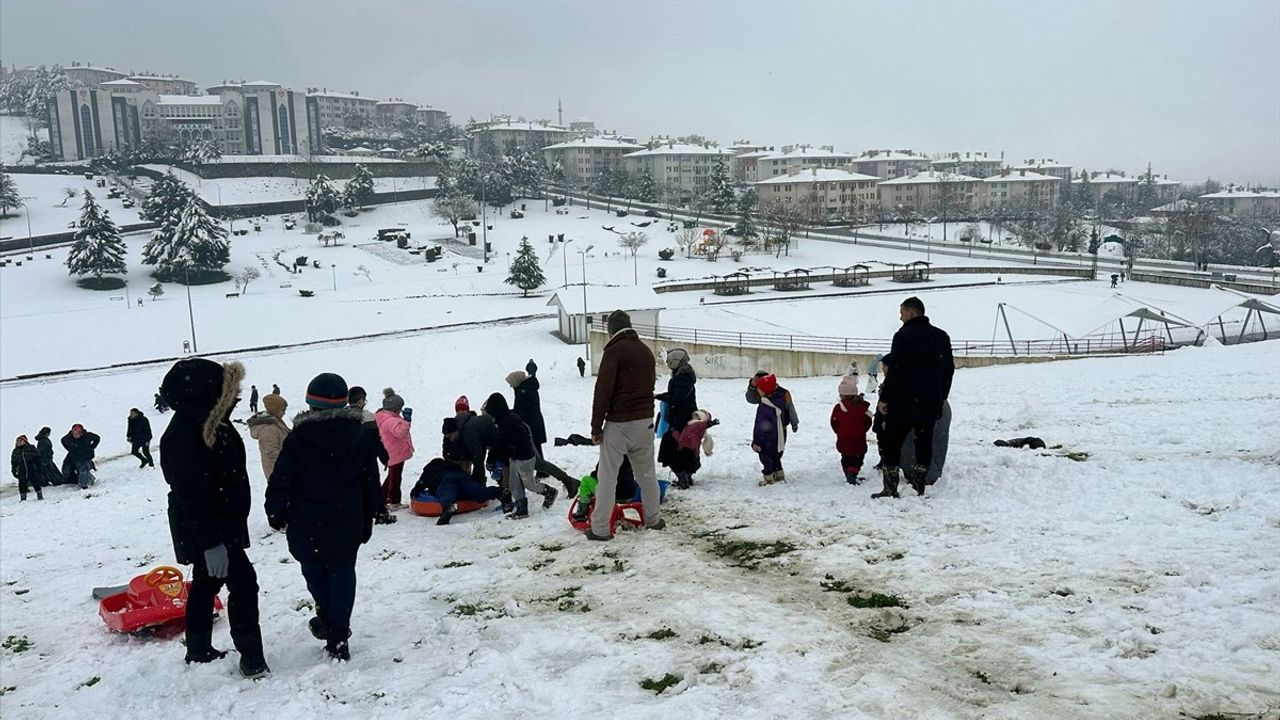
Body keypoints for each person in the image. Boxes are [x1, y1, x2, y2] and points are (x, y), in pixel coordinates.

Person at [158, 358, 268, 678]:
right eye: (228, 392)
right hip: (209, 529)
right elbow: (189, 494)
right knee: (245, 585)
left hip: (221, 525)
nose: (235, 398)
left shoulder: (213, 421)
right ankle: (252, 658)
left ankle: (198, 648)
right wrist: (211, 543)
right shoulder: (183, 435)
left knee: (207, 584)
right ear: (207, 395)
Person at [265, 373, 382, 662]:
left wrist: (275, 512)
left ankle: (329, 618)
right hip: (348, 518)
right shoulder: (359, 436)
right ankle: (338, 631)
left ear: (310, 403)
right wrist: (370, 515)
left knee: (314, 570)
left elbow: (282, 481)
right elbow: (370, 480)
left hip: (308, 521)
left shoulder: (298, 440)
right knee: (343, 572)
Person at [588, 310, 664, 540]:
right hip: (645, 422)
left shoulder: (613, 352)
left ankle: (600, 529)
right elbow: (650, 384)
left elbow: (602, 392)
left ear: (611, 330)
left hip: (619, 423)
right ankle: (653, 519)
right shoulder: (645, 351)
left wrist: (595, 427)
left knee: (608, 476)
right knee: (647, 474)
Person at [874, 296, 955, 498]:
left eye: (902, 313)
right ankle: (919, 484)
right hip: (929, 403)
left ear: (911, 312)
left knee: (892, 444)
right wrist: (942, 395)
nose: (900, 317)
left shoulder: (903, 336)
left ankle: (890, 487)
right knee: (924, 443)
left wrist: (885, 399)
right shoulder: (941, 336)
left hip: (903, 402)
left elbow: (896, 372)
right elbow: (948, 370)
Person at [484, 392, 556, 519]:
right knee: (514, 483)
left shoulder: (510, 420)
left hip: (524, 457)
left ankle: (548, 491)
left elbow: (515, 438)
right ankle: (522, 508)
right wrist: (494, 456)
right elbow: (500, 442)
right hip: (514, 457)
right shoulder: (502, 421)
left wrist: (510, 448)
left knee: (529, 484)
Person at [350, 386, 396, 525]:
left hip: (349, 459)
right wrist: (385, 458)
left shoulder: (342, 415)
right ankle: (380, 513)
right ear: (360, 401)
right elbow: (377, 440)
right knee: (373, 486)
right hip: (367, 458)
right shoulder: (368, 417)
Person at [414, 456, 502, 526]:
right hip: (463, 478)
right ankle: (499, 492)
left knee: (446, 493)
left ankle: (449, 506)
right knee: (478, 492)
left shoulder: (429, 471)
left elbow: (420, 484)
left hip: (446, 480)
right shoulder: (451, 465)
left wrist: (414, 493)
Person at [655, 348, 698, 489]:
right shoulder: (684, 374)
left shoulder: (682, 377)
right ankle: (687, 475)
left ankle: (682, 477)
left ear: (677, 361)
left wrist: (661, 397)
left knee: (672, 448)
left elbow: (677, 398)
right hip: (687, 418)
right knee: (686, 447)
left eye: (669, 361)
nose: (667, 363)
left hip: (681, 420)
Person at [748, 373, 798, 486]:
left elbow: (760, 427)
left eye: (759, 389)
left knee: (766, 457)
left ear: (764, 391)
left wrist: (757, 442)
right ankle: (779, 474)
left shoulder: (764, 406)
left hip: (767, 438)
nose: (757, 391)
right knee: (776, 455)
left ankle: (769, 478)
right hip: (781, 433)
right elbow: (790, 409)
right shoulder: (780, 397)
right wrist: (794, 423)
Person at [375, 388, 413, 507]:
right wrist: (407, 421)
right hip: (395, 453)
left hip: (391, 452)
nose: (400, 411)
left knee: (391, 477)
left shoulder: (383, 416)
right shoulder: (390, 421)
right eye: (399, 409)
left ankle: (381, 498)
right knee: (395, 479)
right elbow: (401, 433)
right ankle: (394, 501)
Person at [830, 375, 873, 485]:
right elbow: (868, 422)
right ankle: (852, 474)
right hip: (859, 439)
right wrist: (862, 430)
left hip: (843, 439)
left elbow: (834, 422)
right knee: (857, 459)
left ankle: (848, 473)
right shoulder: (862, 407)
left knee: (845, 457)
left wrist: (839, 432)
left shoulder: (838, 408)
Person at [571, 458, 637, 524]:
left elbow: (599, 473)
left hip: (611, 493)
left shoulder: (608, 454)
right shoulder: (628, 455)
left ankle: (582, 511)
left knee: (586, 480)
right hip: (629, 493)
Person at [508, 361, 548, 465]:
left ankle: (542, 469)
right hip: (533, 422)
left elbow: (523, 408)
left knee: (535, 446)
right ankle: (541, 468)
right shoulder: (526, 388)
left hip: (531, 423)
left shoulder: (525, 391)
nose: (511, 386)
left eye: (511, 383)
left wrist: (513, 414)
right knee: (535, 446)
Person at [247, 394, 290, 480]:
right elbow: (271, 455)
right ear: (275, 410)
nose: (284, 413)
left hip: (284, 470)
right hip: (278, 473)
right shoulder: (269, 430)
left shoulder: (277, 422)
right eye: (283, 410)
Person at [61, 424, 101, 489]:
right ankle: (90, 479)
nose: (75, 435)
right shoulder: (68, 438)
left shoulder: (88, 436)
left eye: (77, 434)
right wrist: (70, 449)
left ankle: (83, 485)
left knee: (84, 470)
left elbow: (97, 438)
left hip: (86, 457)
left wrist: (92, 447)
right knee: (79, 470)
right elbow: (63, 440)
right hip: (76, 457)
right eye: (74, 434)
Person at [11, 435, 44, 501]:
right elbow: (14, 462)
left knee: (36, 483)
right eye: (18, 441)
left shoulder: (31, 448)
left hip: (32, 469)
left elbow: (38, 458)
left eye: (21, 441)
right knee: (22, 484)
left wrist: (39, 467)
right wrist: (14, 471)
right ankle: (23, 498)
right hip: (21, 471)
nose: (19, 442)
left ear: (25, 441)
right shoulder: (15, 451)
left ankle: (39, 496)